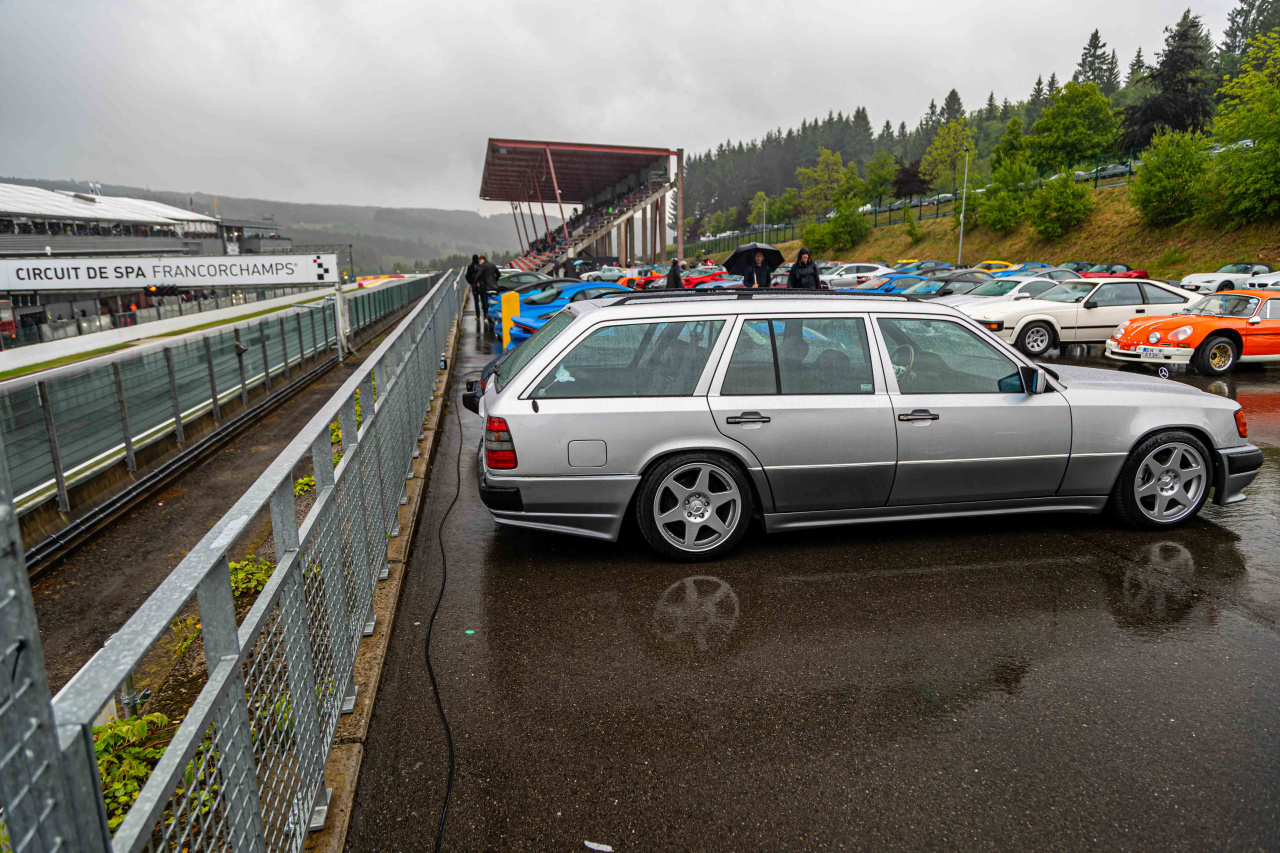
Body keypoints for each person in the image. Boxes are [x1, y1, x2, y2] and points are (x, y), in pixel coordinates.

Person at [475, 254, 500, 318]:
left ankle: (486, 316)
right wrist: (495, 280)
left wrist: (475, 282)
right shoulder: (492, 264)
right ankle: (495, 316)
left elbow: (478, 275)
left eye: (479, 261)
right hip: (494, 287)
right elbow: (499, 274)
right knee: (495, 302)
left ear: (481, 259)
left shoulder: (483, 265)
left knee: (485, 302)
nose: (479, 263)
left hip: (486, 287)